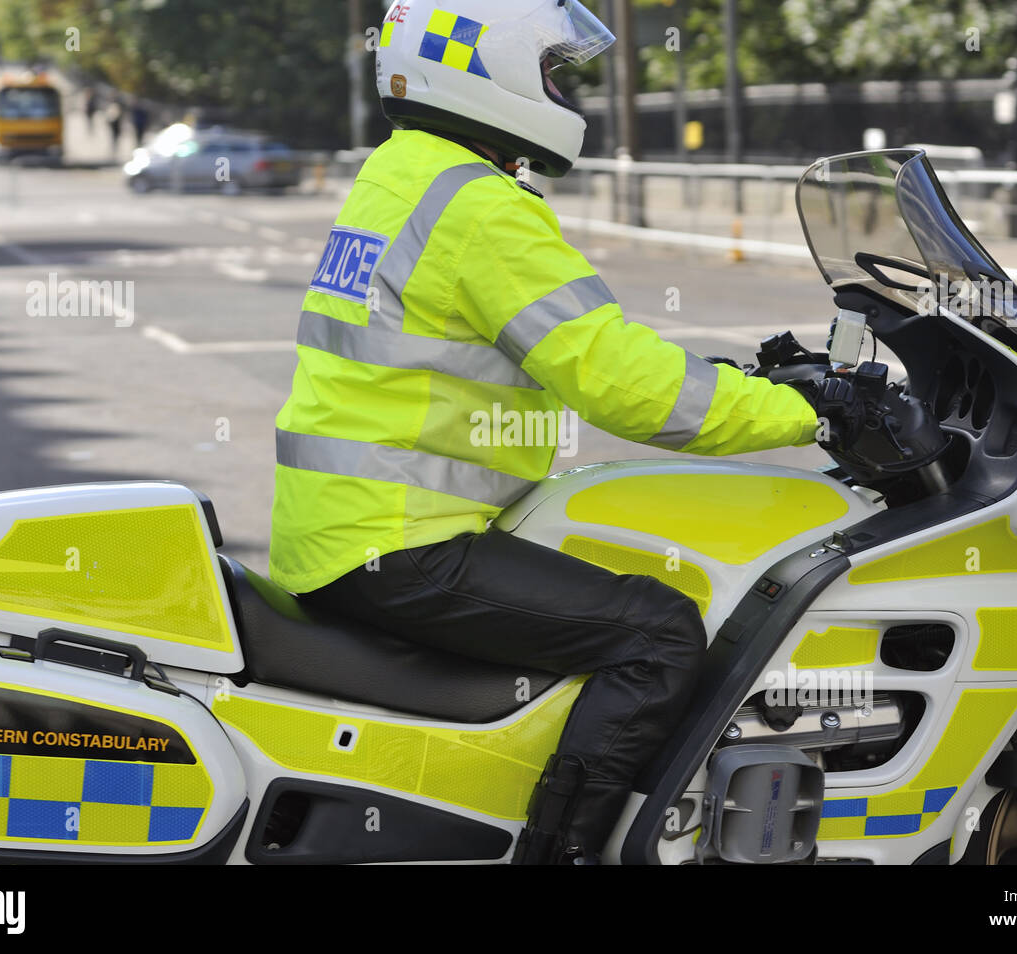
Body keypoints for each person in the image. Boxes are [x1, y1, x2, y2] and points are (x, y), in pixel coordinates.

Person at [269, 0, 861, 864]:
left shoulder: (402, 173)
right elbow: (627, 391)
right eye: (549, 69)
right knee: (658, 633)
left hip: (344, 530)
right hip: (399, 542)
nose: (556, 90)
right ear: (485, 66)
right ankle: (566, 854)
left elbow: (583, 351)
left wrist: (733, 381)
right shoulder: (479, 208)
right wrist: (813, 412)